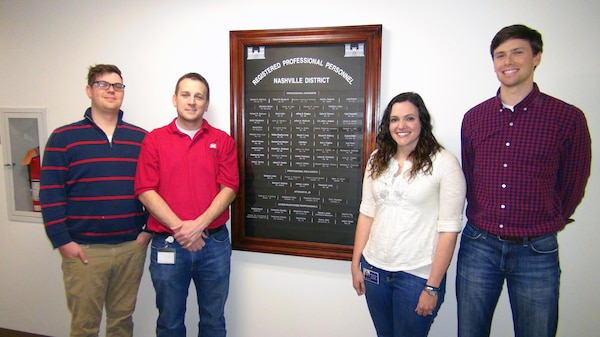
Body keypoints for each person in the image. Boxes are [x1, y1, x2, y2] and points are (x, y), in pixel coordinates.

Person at [456, 24, 592, 337]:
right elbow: (471, 176)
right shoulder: (474, 118)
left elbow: (574, 181)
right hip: (480, 245)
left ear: (536, 57)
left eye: (517, 52)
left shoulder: (567, 118)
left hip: (536, 249)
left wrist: (549, 217)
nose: (507, 61)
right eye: (500, 55)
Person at [40, 64, 150, 337]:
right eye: (103, 84)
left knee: (122, 321)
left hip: (130, 248)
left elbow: (154, 188)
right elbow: (51, 192)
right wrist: (63, 241)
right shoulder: (64, 138)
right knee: (85, 326)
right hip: (85, 251)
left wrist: (147, 231)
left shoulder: (141, 138)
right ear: (89, 90)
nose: (111, 91)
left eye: (117, 86)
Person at [351, 92, 466, 337]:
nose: (401, 126)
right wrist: (355, 263)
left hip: (417, 276)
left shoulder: (444, 163)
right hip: (375, 270)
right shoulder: (376, 160)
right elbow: (366, 213)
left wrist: (432, 287)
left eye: (409, 118)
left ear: (422, 122)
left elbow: (449, 230)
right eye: (394, 120)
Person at [134, 72, 239, 337]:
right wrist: (182, 229)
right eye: (186, 94)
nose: (192, 101)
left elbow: (230, 188)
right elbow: (145, 190)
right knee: (169, 322)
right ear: (174, 99)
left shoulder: (223, 141)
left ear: (206, 103)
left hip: (213, 245)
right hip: (169, 244)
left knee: (214, 321)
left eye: (198, 96)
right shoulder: (154, 140)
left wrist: (198, 226)